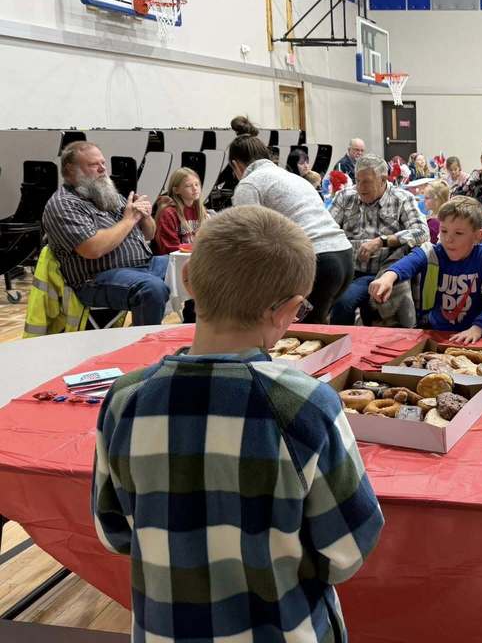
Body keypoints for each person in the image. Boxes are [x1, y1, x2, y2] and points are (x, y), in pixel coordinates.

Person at [92, 204, 383, 642]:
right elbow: (347, 548)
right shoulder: (305, 404)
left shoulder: (124, 399)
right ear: (285, 311)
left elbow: (114, 531)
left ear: (187, 280)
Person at [229, 133, 352, 324]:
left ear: (236, 165)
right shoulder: (290, 177)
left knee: (296, 333)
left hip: (317, 263)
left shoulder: (249, 183)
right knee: (313, 328)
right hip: (343, 257)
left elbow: (247, 241)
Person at [42, 141, 169, 326]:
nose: (102, 169)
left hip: (145, 265)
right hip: (95, 279)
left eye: (103, 163)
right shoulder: (63, 204)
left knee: (199, 266)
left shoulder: (109, 194)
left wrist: (145, 217)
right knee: (151, 289)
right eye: (94, 164)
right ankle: (145, 349)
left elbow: (149, 235)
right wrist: (129, 219)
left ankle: (198, 336)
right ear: (71, 169)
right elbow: (92, 249)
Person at [369, 196, 482, 344]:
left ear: (477, 236)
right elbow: (411, 261)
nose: (448, 239)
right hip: (436, 331)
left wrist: (478, 328)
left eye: (458, 233)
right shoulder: (433, 252)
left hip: (473, 335)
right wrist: (388, 277)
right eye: (444, 231)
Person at [328, 155, 429, 325]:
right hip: (347, 271)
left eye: (366, 181)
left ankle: (343, 345)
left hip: (382, 272)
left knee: (343, 303)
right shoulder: (345, 197)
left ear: (383, 179)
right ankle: (340, 345)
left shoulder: (402, 198)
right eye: (357, 180)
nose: (360, 187)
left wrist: (382, 241)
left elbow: (422, 232)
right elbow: (328, 230)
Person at [154, 167, 209, 323]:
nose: (194, 189)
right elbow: (168, 248)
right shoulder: (168, 213)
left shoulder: (201, 211)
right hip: (172, 265)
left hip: (193, 261)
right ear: (176, 190)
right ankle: (192, 319)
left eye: (197, 184)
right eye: (188, 186)